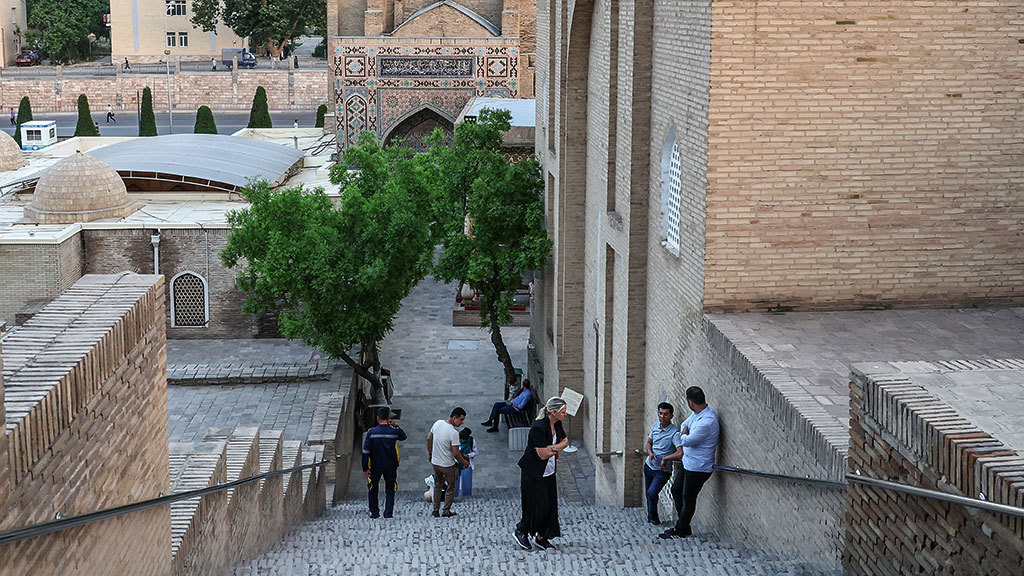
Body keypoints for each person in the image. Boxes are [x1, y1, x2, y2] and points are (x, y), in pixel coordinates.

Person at [659, 386, 720, 540]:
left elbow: (687, 440)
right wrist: (685, 434)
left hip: (698, 467)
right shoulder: (697, 414)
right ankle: (683, 525)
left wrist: (684, 435)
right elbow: (683, 427)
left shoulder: (707, 421)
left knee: (688, 498)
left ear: (690, 402)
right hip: (688, 463)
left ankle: (681, 529)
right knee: (676, 490)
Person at [513, 396, 569, 551]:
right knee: (535, 505)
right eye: (563, 412)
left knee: (549, 506)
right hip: (533, 472)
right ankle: (521, 530)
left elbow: (565, 441)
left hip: (549, 471)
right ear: (554, 412)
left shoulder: (557, 424)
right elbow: (542, 455)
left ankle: (541, 537)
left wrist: (552, 447)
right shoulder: (538, 427)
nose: (565, 414)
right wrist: (557, 447)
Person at [361, 407, 407, 518]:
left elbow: (366, 451)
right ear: (388, 418)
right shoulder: (393, 431)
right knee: (390, 489)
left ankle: (374, 512)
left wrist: (365, 467)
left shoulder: (372, 433)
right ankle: (388, 513)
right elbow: (403, 436)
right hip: (390, 466)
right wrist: (395, 426)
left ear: (378, 418)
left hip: (375, 465)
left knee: (373, 488)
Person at [427, 407, 469, 517]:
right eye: (461, 419)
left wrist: (430, 453)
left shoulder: (438, 423)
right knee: (451, 487)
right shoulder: (454, 433)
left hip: (436, 463)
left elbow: (429, 438)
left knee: (437, 485)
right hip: (448, 465)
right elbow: (455, 453)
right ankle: (446, 510)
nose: (462, 422)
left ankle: (435, 510)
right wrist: (464, 462)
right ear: (454, 418)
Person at [643, 402, 680, 525]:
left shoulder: (675, 433)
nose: (662, 417)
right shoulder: (655, 426)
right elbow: (649, 443)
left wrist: (666, 459)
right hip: (649, 466)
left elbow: (680, 453)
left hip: (662, 471)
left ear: (671, 416)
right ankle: (651, 518)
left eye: (665, 414)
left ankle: (654, 518)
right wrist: (650, 453)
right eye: (660, 413)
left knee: (651, 493)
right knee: (649, 494)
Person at [455, 427, 477, 498]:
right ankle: (454, 495)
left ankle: (466, 495)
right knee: (455, 480)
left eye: (464, 440)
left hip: (467, 464)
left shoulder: (472, 441)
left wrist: (469, 455)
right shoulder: (455, 440)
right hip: (456, 464)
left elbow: (475, 452)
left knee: (467, 481)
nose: (462, 441)